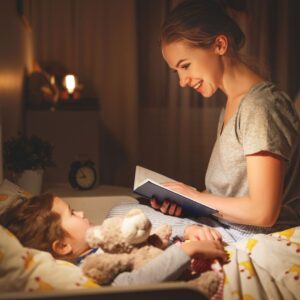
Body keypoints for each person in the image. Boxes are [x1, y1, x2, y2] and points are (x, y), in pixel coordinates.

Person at [146, 0, 300, 243]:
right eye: (177, 71)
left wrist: (194, 197)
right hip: (223, 226)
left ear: (219, 44)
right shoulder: (233, 104)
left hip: (250, 236)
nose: (182, 81)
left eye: (185, 66)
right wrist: (183, 202)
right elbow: (225, 194)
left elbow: (263, 212)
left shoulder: (261, 107)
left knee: (134, 222)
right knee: (127, 211)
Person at [0, 193, 227, 286]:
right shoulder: (92, 268)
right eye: (72, 213)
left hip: (193, 257)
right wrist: (188, 251)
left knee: (120, 208)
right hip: (198, 274)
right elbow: (133, 283)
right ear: (62, 245)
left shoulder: (100, 247)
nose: (81, 213)